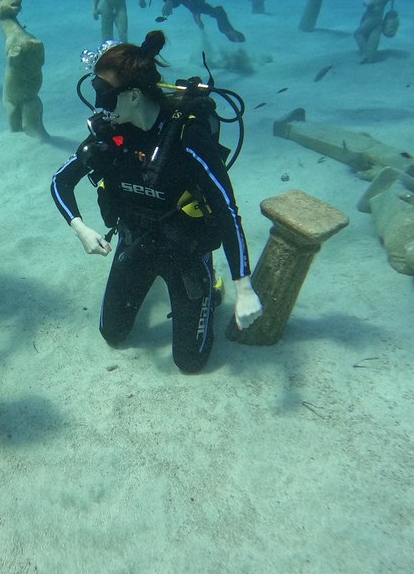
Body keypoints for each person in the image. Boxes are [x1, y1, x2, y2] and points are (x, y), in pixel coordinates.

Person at [50, 31, 262, 374]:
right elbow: (59, 182)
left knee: (190, 362)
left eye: (103, 94)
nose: (98, 105)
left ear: (132, 95)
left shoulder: (187, 138)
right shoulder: (110, 135)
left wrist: (245, 287)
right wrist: (82, 229)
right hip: (135, 243)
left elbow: (227, 211)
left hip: (186, 253)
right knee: (112, 334)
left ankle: (212, 281)